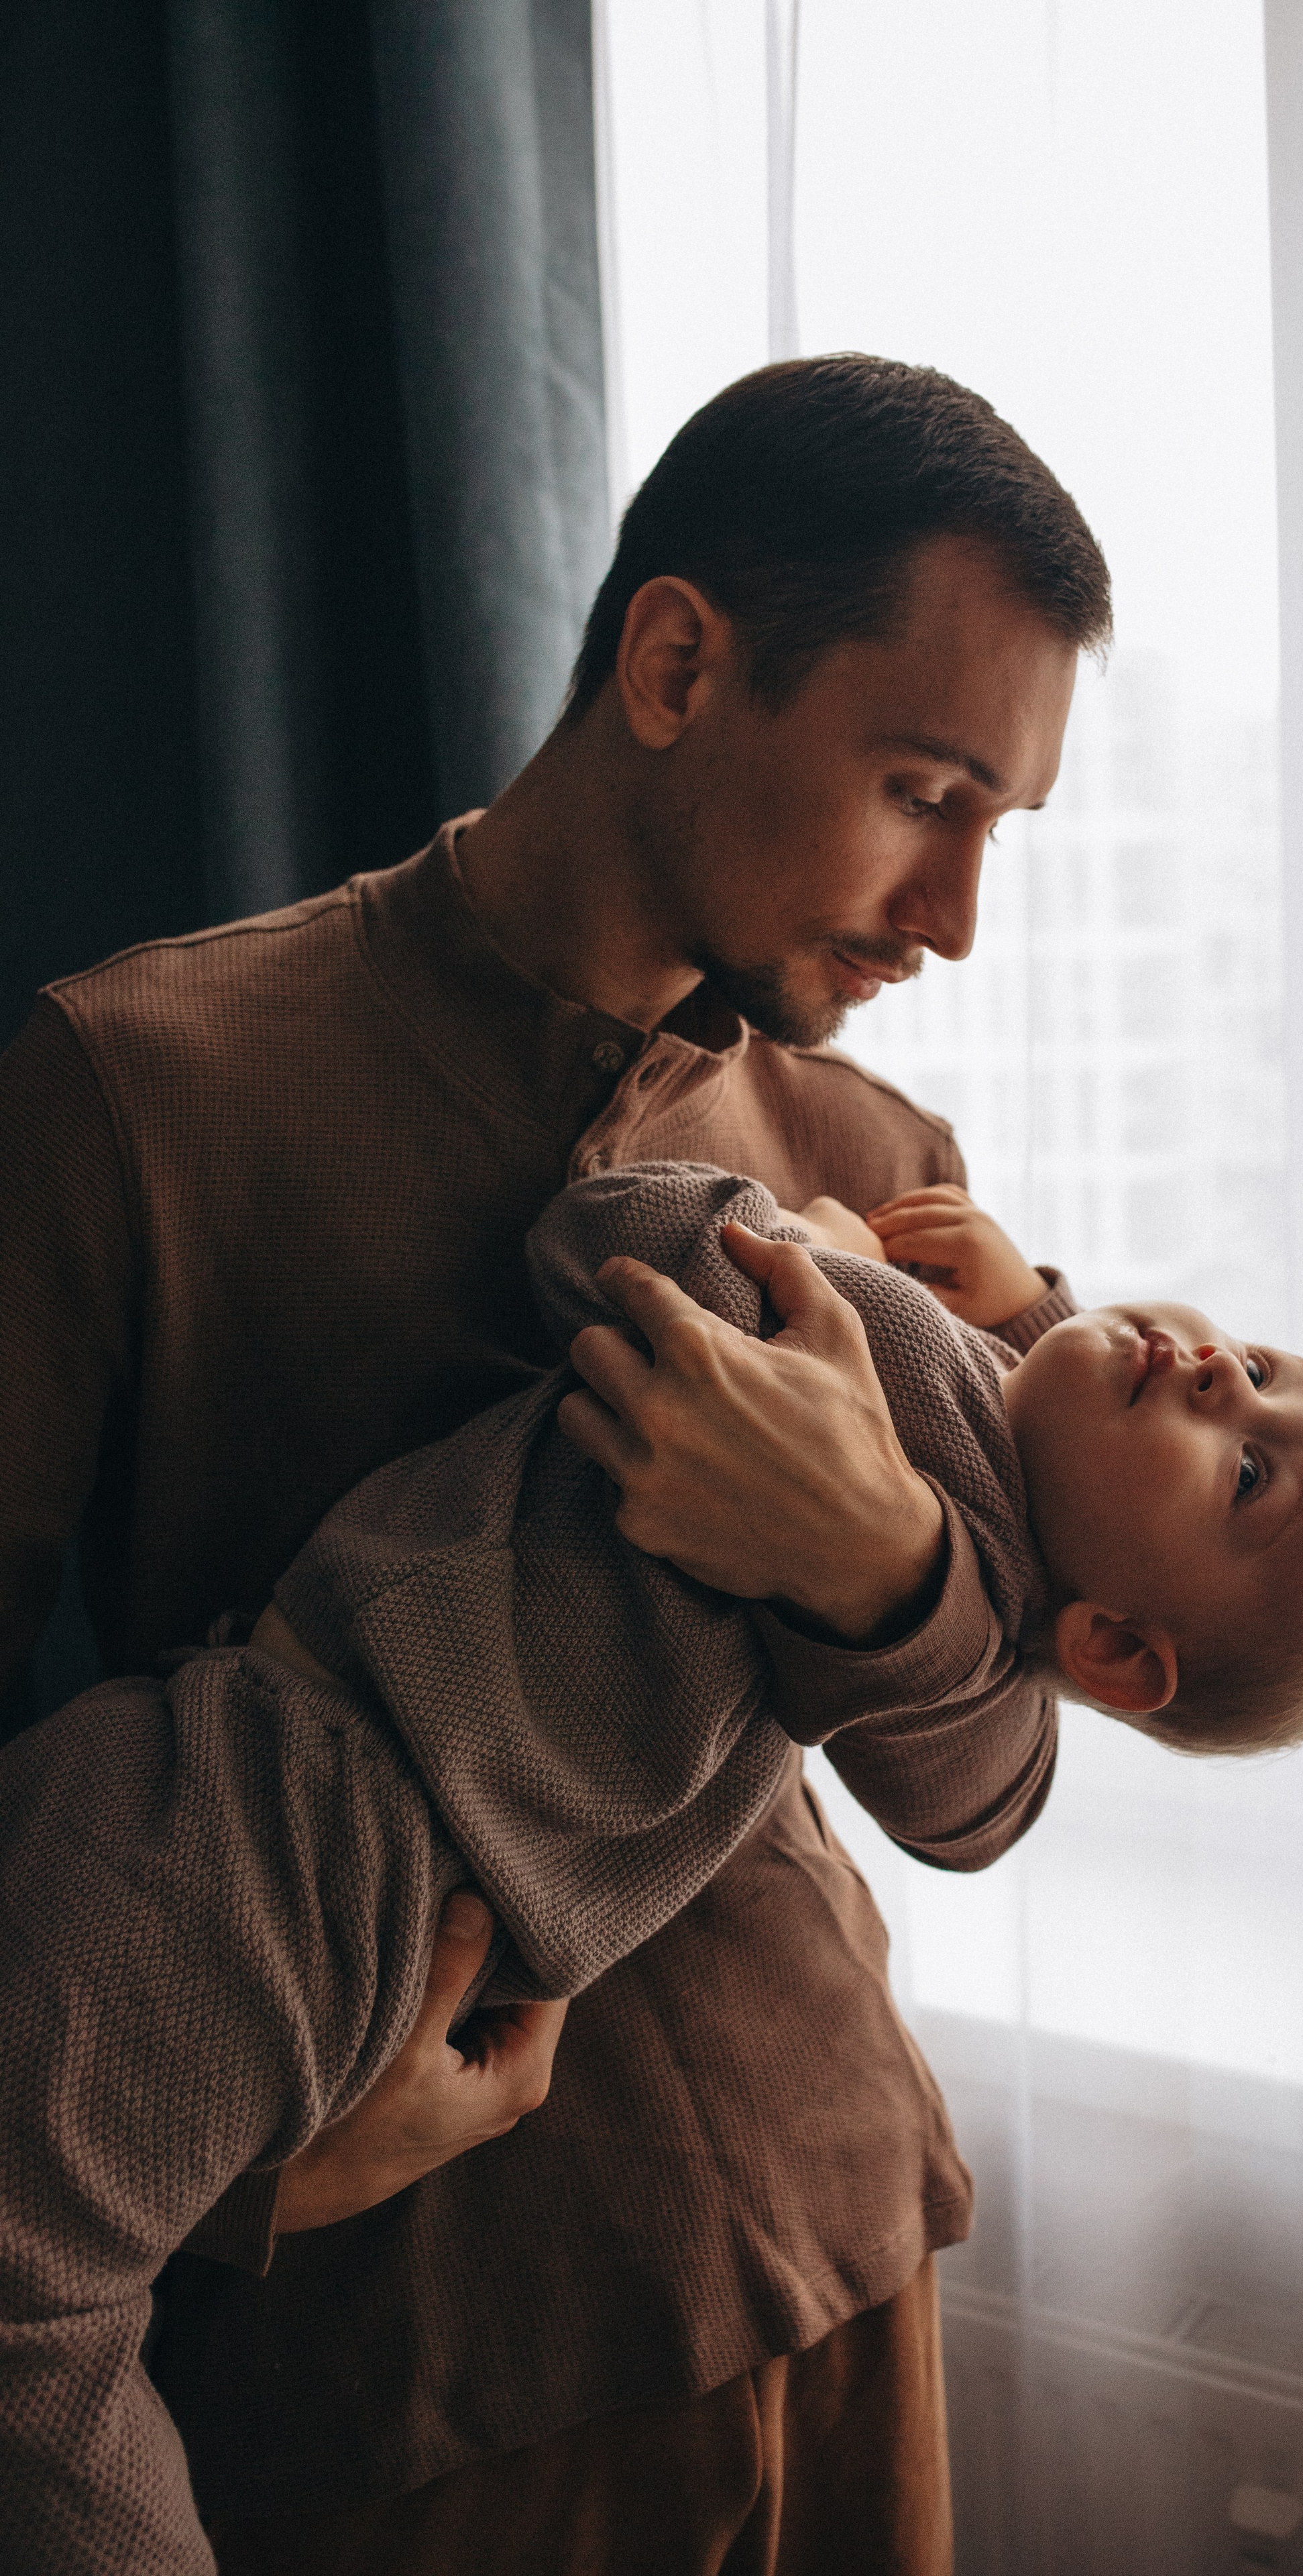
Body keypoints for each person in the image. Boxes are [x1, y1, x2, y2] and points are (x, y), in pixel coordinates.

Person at [0, 354, 1105, 2575]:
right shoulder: (141, 1087)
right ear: (683, 661)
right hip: (407, 2379)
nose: (958, 914)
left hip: (840, 2246)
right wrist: (232, 2179)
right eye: (927, 791)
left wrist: (880, 1557)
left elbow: (983, 1795)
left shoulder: (872, 1168)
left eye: (1005, 829)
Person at [1, 1159, 1303, 2575]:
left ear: (1114, 1648)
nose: (1212, 1371)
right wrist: (1023, 1329)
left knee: (41, 2298)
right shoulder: (978, 1518)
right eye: (1254, 1361)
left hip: (313, 1847)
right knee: (42, 2286)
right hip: (313, 1838)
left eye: (1247, 1470)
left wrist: (791, 1244)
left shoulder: (913, 1414)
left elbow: (605, 1230)